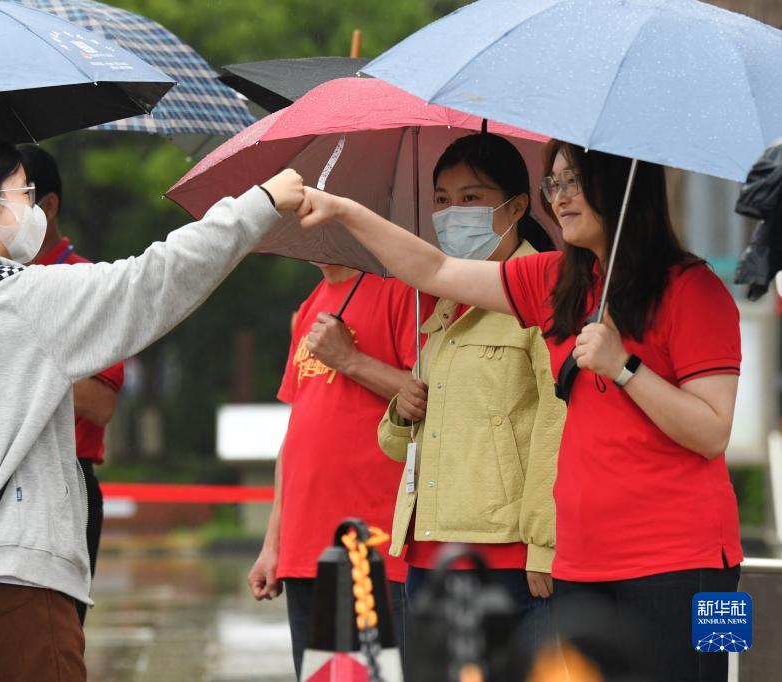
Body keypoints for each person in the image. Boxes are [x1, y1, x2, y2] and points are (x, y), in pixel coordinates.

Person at [0, 132, 304, 682]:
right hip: (11, 567)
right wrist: (261, 202)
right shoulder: (24, 294)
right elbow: (155, 278)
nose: (34, 209)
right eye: (23, 192)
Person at [297, 140, 742, 682]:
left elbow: (712, 432)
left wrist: (625, 367)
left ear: (622, 186)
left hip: (693, 563)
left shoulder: (696, 289)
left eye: (575, 181)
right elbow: (434, 269)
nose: (560, 198)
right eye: (554, 184)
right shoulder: (555, 281)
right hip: (583, 563)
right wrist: (345, 211)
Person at [375, 134, 563, 625]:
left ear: (516, 206)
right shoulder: (442, 304)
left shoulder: (544, 293)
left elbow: (556, 425)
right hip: (427, 549)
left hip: (502, 556)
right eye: (442, 200)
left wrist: (543, 544)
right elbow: (396, 445)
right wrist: (402, 411)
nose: (451, 213)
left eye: (470, 197)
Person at [247, 262, 430, 679]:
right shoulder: (310, 304)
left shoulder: (403, 289)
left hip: (376, 545)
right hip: (304, 549)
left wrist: (349, 359)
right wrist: (274, 543)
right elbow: (296, 430)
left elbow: (428, 395)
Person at [21, 145, 123, 625]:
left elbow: (101, 404)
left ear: (48, 206)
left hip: (64, 484)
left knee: (52, 642)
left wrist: (23, 352)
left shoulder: (89, 284)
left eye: (8, 201)